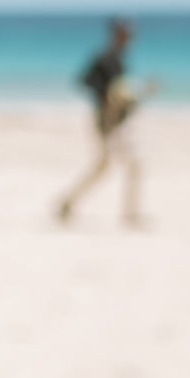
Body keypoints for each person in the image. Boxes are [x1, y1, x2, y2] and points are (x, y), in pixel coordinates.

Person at [55, 18, 154, 227]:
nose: (129, 38)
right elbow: (86, 82)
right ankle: (129, 214)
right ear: (117, 34)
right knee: (126, 166)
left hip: (116, 123)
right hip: (108, 123)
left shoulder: (117, 58)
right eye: (126, 34)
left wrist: (135, 96)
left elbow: (120, 93)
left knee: (108, 167)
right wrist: (106, 95)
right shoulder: (106, 58)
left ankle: (68, 202)